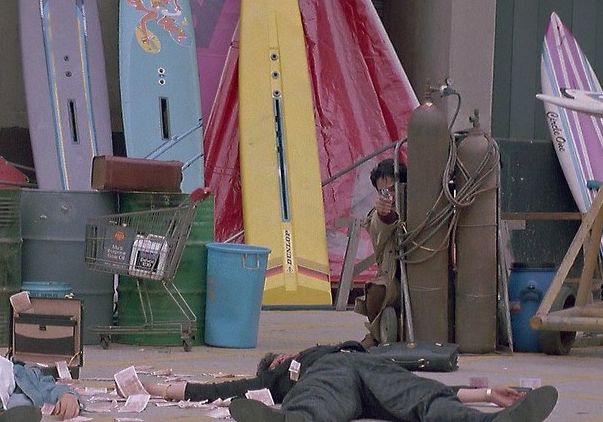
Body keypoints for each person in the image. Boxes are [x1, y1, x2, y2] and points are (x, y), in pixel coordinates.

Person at [141, 341, 558, 422]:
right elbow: (218, 391)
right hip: (332, 376)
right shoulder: (278, 376)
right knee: (318, 402)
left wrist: (488, 394)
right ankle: (289, 421)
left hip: (369, 367)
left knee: (423, 396)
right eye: (277, 358)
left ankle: (488, 421)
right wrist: (155, 389)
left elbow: (435, 387)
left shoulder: (328, 349)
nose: (283, 355)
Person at [355, 158, 407, 348]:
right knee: (375, 290)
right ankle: (376, 335)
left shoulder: (421, 208)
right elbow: (378, 228)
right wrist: (385, 215)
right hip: (395, 284)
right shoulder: (375, 216)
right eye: (383, 192)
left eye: (392, 190)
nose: (389, 197)